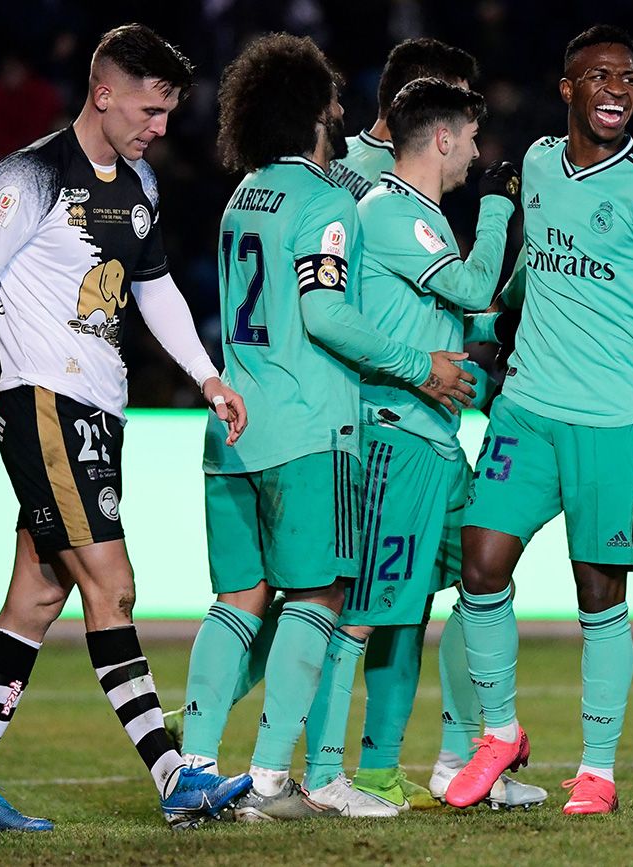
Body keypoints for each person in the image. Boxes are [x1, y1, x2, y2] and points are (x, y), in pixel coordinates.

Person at [0, 24, 252, 832]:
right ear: (104, 92)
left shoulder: (138, 184)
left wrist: (205, 374)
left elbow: (155, 286)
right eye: (150, 108)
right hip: (44, 405)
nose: (160, 126)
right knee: (113, 583)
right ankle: (174, 775)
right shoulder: (30, 173)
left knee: (37, 593)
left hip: (99, 410)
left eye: (167, 112)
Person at [176, 33, 473, 821]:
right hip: (308, 428)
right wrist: (423, 364)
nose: (342, 113)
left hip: (233, 424)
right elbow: (325, 312)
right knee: (322, 593)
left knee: (238, 597)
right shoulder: (325, 200)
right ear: (308, 109)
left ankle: (195, 768)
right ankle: (274, 778)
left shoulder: (245, 193)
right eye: (334, 100)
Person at [445, 24, 633, 816]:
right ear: (568, 89)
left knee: (599, 592)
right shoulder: (536, 163)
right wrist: (496, 320)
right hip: (526, 407)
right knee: (481, 561)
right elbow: (537, 258)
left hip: (613, 418)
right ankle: (500, 733)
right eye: (600, 78)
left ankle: (596, 769)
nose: (617, 92)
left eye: (628, 79)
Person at [298, 76, 546, 815]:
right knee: (367, 610)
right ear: (443, 137)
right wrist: (501, 207)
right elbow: (472, 287)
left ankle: (456, 755)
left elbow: (473, 309)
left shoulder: (422, 219)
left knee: (478, 585)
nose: (475, 153)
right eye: (471, 137)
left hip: (437, 443)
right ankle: (326, 773)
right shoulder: (392, 213)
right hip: (395, 440)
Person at [328, 38, 479, 202]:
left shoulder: (323, 153)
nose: (462, 121)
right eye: (458, 108)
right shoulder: (408, 188)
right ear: (418, 99)